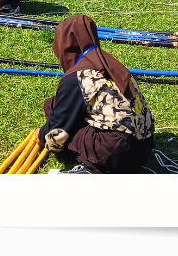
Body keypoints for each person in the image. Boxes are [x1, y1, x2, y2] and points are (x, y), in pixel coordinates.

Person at [38, 12, 155, 173]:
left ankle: (90, 166)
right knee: (54, 104)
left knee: (57, 116)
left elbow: (56, 136)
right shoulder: (109, 63)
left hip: (118, 155)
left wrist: (41, 135)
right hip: (145, 147)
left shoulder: (77, 77)